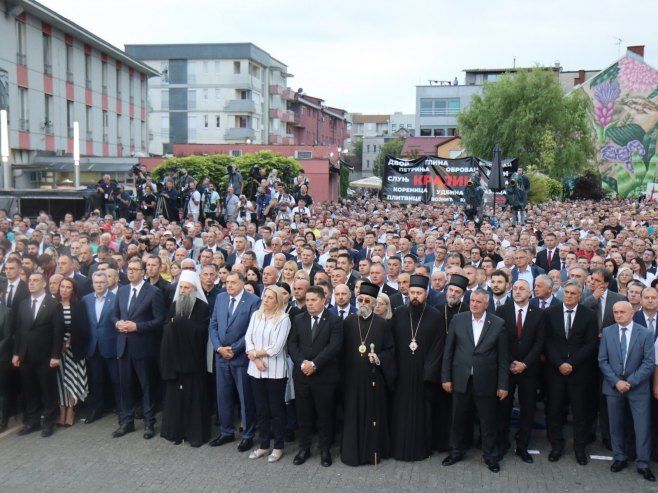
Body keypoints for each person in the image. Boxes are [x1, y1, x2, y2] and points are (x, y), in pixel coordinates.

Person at [441, 288, 508, 473]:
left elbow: (503, 358)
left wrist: (503, 385)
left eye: (478, 302)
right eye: (472, 301)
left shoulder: (498, 323)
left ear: (486, 304)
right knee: (458, 419)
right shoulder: (458, 319)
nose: (474, 304)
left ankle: (490, 456)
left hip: (486, 381)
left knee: (488, 421)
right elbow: (448, 351)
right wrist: (446, 377)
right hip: (461, 379)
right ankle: (456, 451)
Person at [543, 279, 598, 465]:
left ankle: (579, 449)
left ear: (580, 295)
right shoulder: (550, 313)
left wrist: (571, 363)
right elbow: (546, 341)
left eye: (573, 293)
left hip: (579, 372)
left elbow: (591, 343)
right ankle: (556, 446)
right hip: (555, 371)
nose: (569, 296)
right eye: (566, 292)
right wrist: (559, 363)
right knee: (555, 410)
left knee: (580, 412)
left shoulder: (589, 315)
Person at [340, 281, 395, 466]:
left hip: (373, 379)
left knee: (372, 415)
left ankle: (371, 454)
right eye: (360, 300)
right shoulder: (349, 322)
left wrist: (378, 358)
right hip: (352, 379)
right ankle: (353, 454)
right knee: (353, 415)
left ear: (373, 303)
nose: (363, 303)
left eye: (367, 300)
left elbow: (390, 351)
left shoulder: (382, 324)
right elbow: (341, 351)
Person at [599, 301, 655, 482]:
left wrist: (629, 382)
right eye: (615, 312)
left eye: (622, 312)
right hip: (613, 386)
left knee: (642, 426)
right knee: (615, 425)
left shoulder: (645, 333)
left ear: (632, 313)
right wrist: (616, 382)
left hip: (637, 388)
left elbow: (648, 362)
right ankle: (619, 457)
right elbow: (602, 360)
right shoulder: (608, 332)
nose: (618, 315)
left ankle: (643, 463)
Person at [287, 285, 343, 467]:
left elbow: (334, 347)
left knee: (325, 415)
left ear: (324, 300)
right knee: (304, 415)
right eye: (307, 300)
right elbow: (292, 344)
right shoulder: (298, 319)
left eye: (313, 300)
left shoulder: (334, 320)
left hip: (324, 377)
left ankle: (325, 450)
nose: (309, 303)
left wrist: (315, 364)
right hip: (302, 376)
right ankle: (304, 448)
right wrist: (303, 363)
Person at [390, 275, 443, 461]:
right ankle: (398, 449)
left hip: (423, 375)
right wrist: (394, 369)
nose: (415, 296)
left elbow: (438, 347)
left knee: (423, 413)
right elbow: (391, 344)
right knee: (400, 411)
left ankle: (422, 448)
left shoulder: (435, 316)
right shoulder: (398, 314)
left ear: (426, 295)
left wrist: (428, 372)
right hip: (402, 373)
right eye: (412, 292)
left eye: (419, 293)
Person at [113, 258, 166, 440]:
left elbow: (159, 320)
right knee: (125, 386)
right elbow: (114, 315)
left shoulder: (153, 292)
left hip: (144, 347)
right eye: (129, 269)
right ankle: (127, 421)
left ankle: (149, 423)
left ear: (143, 272)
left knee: (146, 386)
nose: (131, 272)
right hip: (124, 346)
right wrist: (117, 323)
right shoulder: (122, 290)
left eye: (135, 269)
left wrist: (137, 327)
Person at [208, 271, 260, 451]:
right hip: (221, 356)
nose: (229, 285)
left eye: (233, 282)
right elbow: (213, 325)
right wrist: (219, 348)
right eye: (227, 282)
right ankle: (226, 432)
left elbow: (252, 331)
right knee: (223, 396)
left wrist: (234, 349)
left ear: (242, 283)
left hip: (241, 357)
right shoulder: (221, 298)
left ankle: (247, 434)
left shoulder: (253, 301)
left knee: (245, 398)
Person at [159, 270, 211, 447]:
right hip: (175, 360)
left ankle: (194, 434)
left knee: (194, 398)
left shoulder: (202, 307)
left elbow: (202, 332)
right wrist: (174, 325)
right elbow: (166, 326)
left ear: (194, 289)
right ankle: (177, 432)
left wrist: (181, 323)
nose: (182, 291)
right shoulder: (174, 304)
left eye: (186, 288)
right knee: (175, 399)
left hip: (194, 362)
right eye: (181, 287)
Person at [495, 279, 545, 462]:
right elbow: (499, 340)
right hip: (507, 368)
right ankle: (502, 444)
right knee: (503, 408)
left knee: (528, 409)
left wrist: (525, 363)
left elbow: (540, 342)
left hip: (529, 370)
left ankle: (522, 446)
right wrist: (510, 362)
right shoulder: (502, 311)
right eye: (515, 288)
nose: (517, 291)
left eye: (522, 289)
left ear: (530, 293)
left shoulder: (539, 313)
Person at [12, 272, 65, 437]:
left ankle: (49, 421)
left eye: (35, 281)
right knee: (30, 390)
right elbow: (19, 330)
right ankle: (33, 421)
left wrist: (55, 355)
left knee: (48, 390)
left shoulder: (53, 304)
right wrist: (16, 353)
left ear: (44, 284)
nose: (31, 283)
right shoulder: (23, 304)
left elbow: (58, 332)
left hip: (46, 355)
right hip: (26, 354)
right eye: (30, 281)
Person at [244, 286, 291, 463]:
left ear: (278, 301)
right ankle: (264, 445)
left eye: (270, 298)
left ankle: (278, 447)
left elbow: (277, 347)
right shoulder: (256, 315)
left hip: (275, 372)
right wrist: (255, 359)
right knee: (261, 409)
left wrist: (255, 354)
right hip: (256, 370)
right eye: (265, 296)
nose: (266, 300)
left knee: (276, 410)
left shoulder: (284, 319)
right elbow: (248, 338)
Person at [82, 271, 119, 424]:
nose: (99, 285)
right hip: (93, 346)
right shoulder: (86, 299)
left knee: (116, 380)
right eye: (96, 282)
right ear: (92, 284)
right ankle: (97, 409)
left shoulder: (116, 299)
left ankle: (121, 408)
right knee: (96, 381)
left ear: (107, 283)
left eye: (102, 282)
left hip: (111, 345)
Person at [55, 278, 89, 427]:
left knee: (73, 380)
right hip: (57, 350)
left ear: (73, 290)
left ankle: (71, 410)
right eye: (62, 286)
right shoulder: (54, 305)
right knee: (60, 381)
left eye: (68, 287)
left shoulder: (79, 305)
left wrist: (69, 341)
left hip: (74, 349)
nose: (64, 290)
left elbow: (83, 327)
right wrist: (59, 345)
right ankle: (62, 410)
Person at [0, 298, 13, 431]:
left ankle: (3, 421)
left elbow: (8, 336)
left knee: (2, 391)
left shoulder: (7, 312)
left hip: (2, 358)